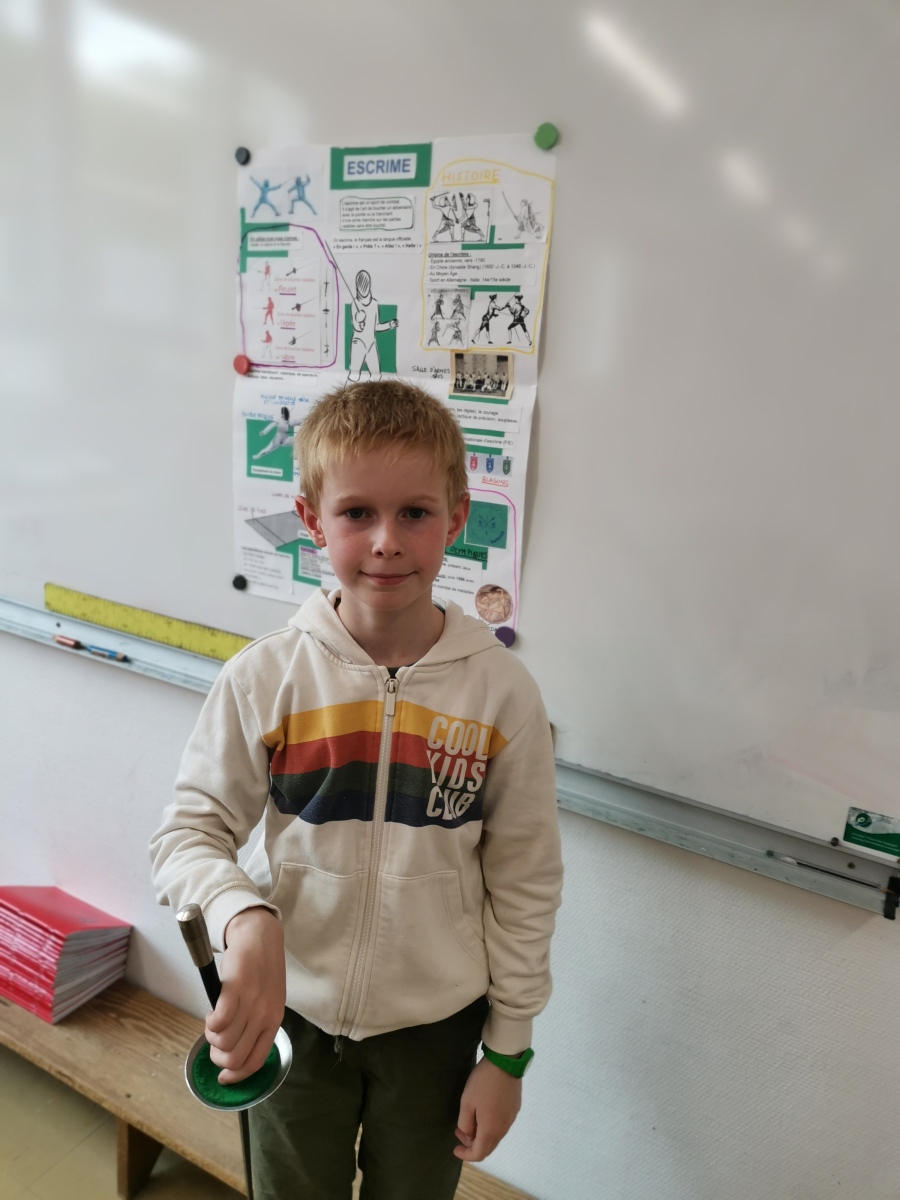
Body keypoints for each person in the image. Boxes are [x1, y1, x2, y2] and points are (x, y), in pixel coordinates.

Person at [149, 380, 562, 1200]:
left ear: (456, 517)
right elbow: (188, 835)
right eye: (357, 513)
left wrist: (508, 1053)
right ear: (312, 520)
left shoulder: (502, 694)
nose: (386, 542)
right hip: (291, 1018)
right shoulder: (266, 676)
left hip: (436, 1032)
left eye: (415, 513)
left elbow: (526, 879)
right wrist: (242, 915)